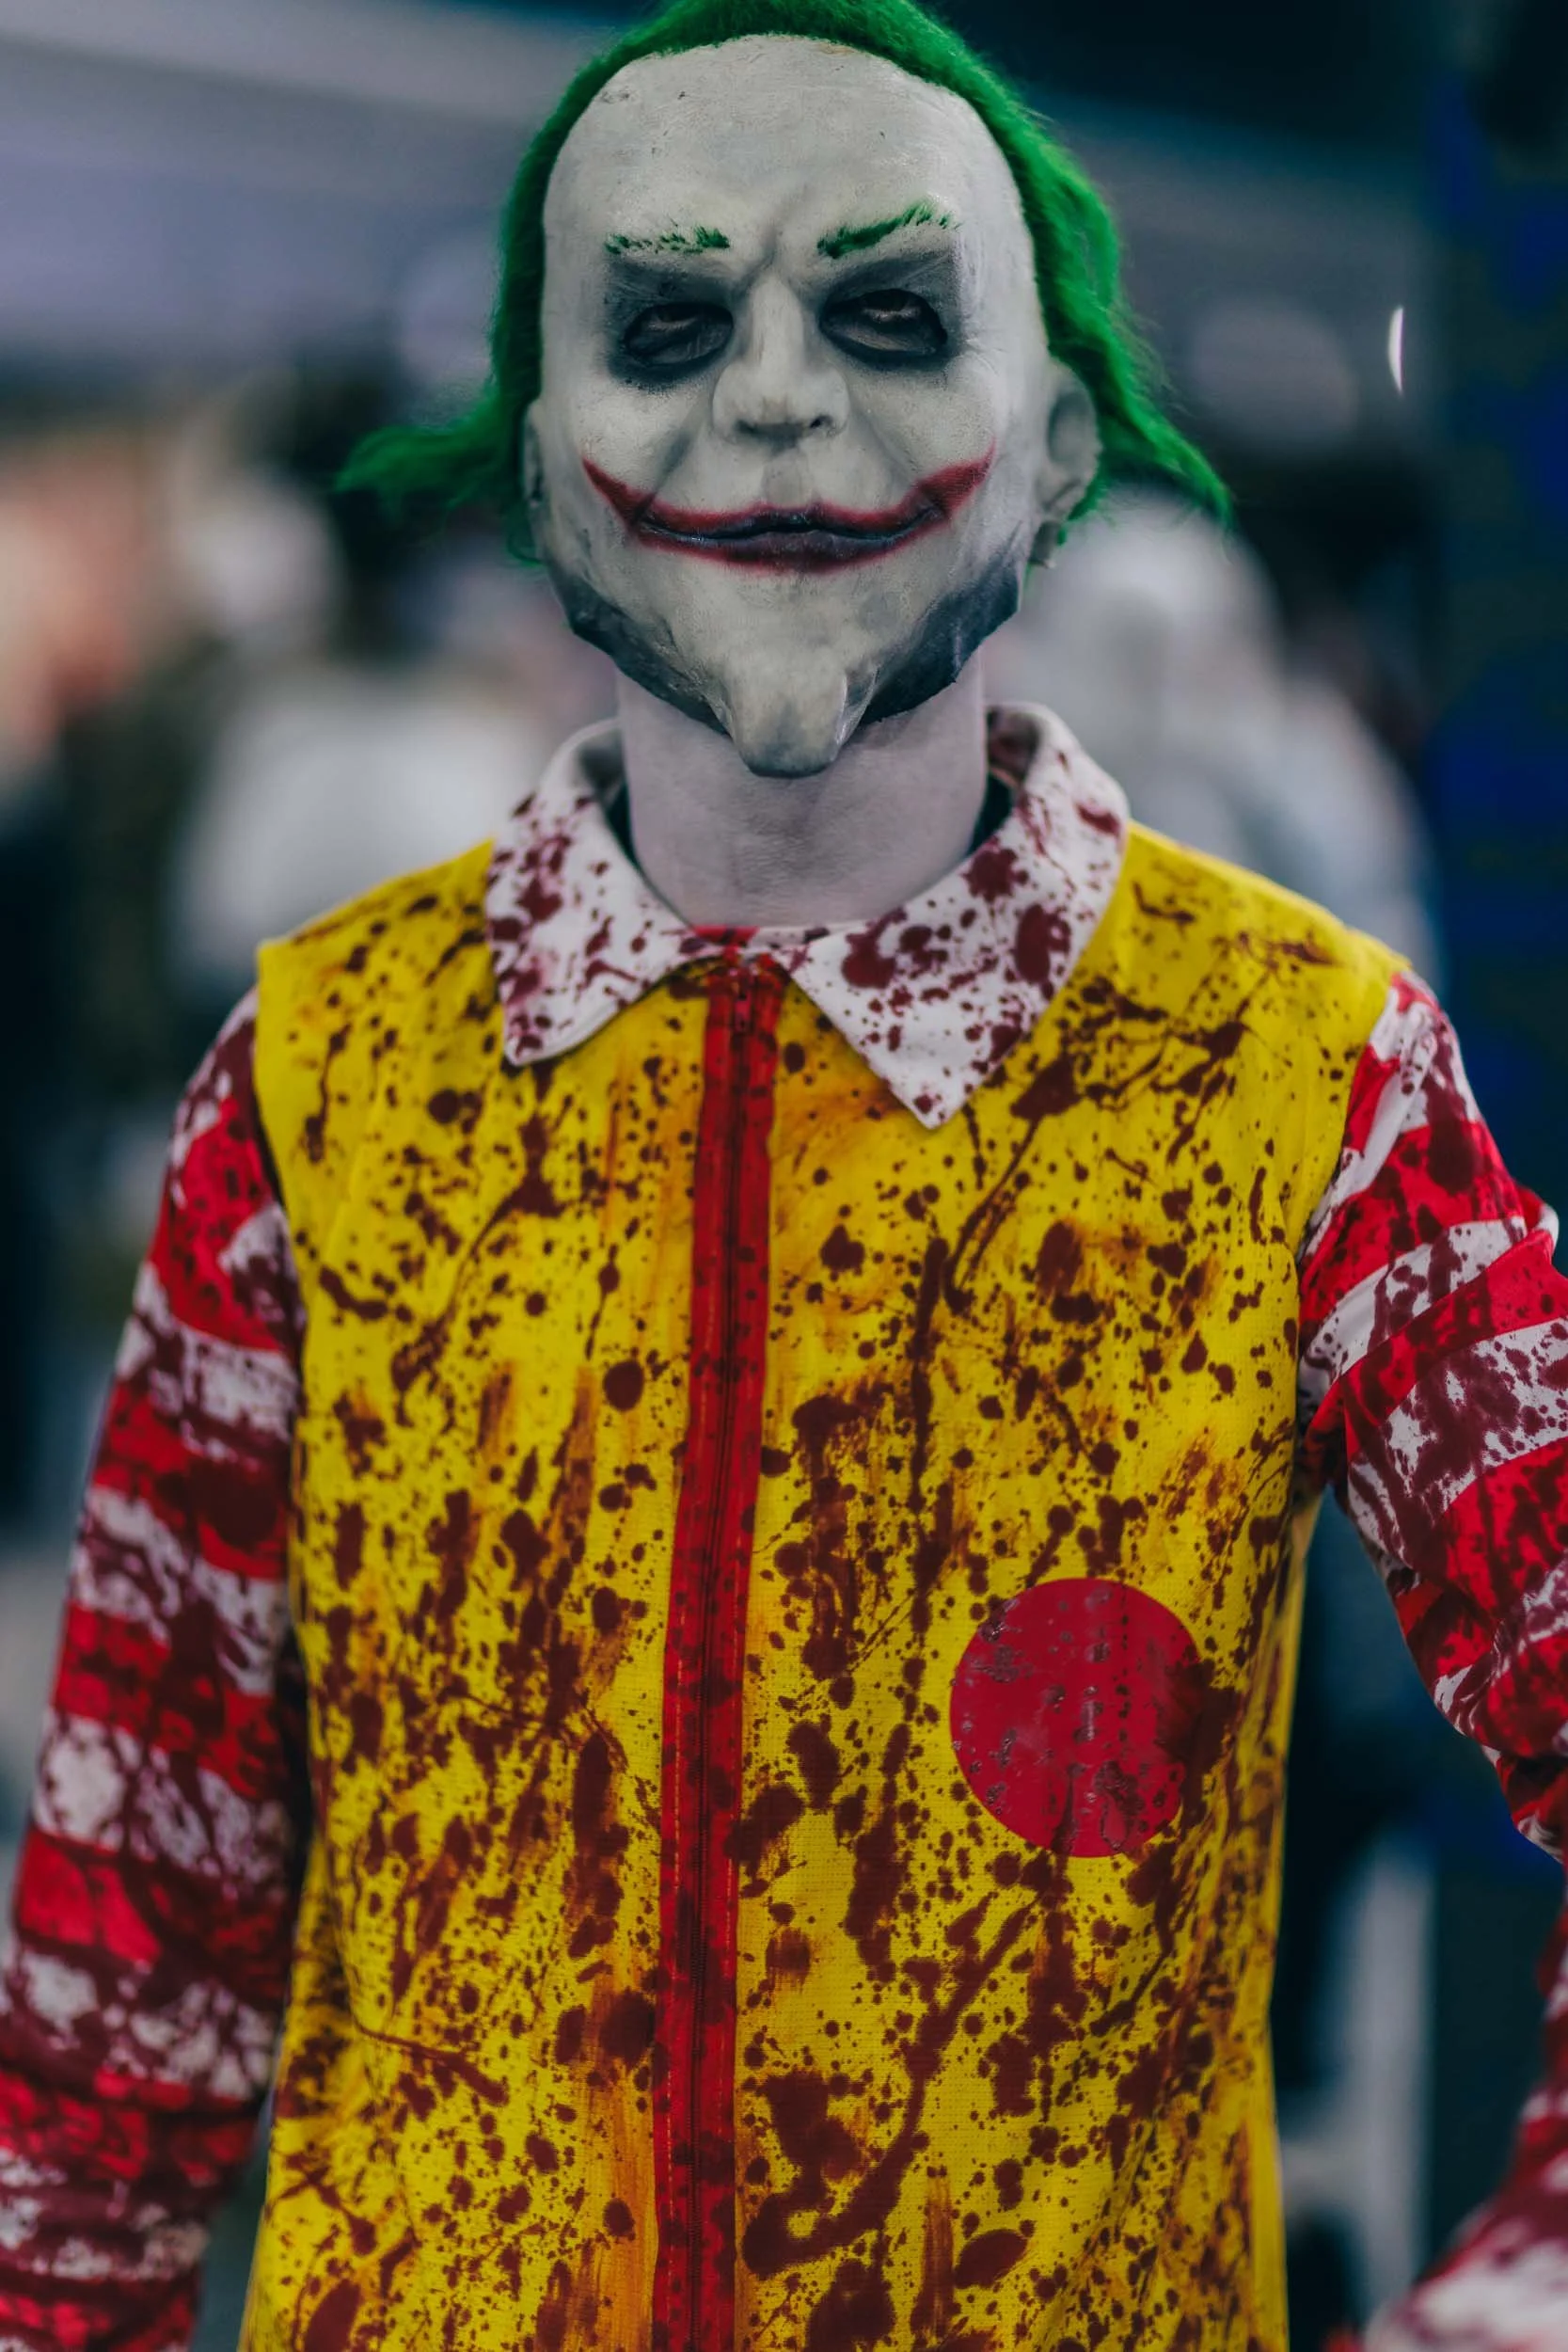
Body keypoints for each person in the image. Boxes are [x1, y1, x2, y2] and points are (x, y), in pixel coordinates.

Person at [0, 3, 1563, 2345]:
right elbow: (136, 1930)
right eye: (661, 326)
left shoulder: (1285, 1066)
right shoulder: (329, 1079)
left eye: (890, 315)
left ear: (1055, 450)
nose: (769, 397)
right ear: (536, 465)